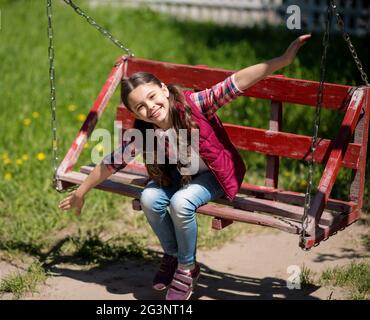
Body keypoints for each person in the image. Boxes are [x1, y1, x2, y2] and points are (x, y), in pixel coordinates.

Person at [59, 34, 311, 300]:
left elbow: (236, 82)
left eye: (153, 97)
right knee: (149, 197)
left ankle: (187, 268)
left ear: (165, 90)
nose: (151, 108)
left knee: (181, 203)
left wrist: (282, 60)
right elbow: (110, 163)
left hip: (214, 176)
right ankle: (172, 256)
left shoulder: (196, 105)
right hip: (181, 176)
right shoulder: (144, 132)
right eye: (140, 107)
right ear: (134, 114)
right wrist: (81, 192)